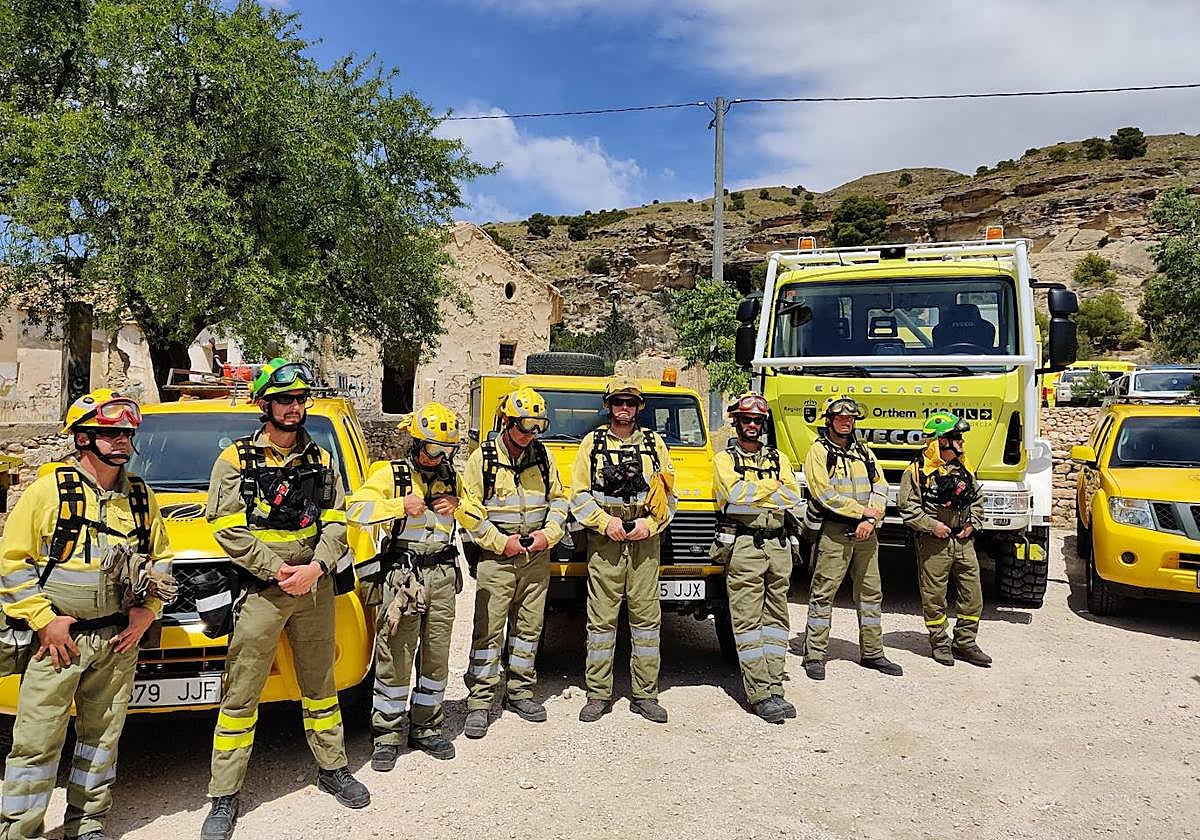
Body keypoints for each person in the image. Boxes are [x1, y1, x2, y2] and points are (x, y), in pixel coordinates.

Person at [201, 358, 367, 840]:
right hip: (263, 590)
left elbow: (337, 520)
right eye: (283, 400)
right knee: (242, 690)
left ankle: (332, 768)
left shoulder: (322, 459)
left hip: (313, 586)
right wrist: (277, 571)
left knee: (321, 684)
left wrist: (316, 568)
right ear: (264, 404)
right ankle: (224, 795)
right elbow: (226, 529)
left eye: (299, 399)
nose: (294, 407)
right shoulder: (235, 460)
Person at [0, 389, 173, 840]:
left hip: (118, 641)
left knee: (102, 738)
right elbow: (12, 562)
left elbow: (161, 560)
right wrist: (43, 620)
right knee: (36, 740)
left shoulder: (140, 497)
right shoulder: (48, 491)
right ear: (82, 438)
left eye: (126, 434)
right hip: (58, 643)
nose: (121, 441)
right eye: (110, 433)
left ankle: (88, 823)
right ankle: (19, 830)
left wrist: (147, 611)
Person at [346, 403, 464, 768]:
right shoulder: (390, 473)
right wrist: (398, 506)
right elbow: (354, 510)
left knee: (436, 654)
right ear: (416, 443)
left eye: (447, 451)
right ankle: (386, 734)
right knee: (395, 654)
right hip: (404, 576)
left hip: (442, 574)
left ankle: (427, 728)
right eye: (434, 449)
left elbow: (478, 516)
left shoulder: (452, 478)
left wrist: (459, 506)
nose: (439, 458)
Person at [457, 387, 568, 739]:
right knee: (488, 631)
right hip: (497, 559)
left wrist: (548, 535)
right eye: (525, 426)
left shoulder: (543, 457)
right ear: (507, 421)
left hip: (536, 557)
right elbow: (469, 513)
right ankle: (479, 701)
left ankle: (519, 692)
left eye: (539, 426)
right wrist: (501, 543)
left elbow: (559, 501)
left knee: (528, 630)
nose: (531, 434)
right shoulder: (483, 459)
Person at [571, 377, 676, 724]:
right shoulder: (592, 444)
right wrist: (605, 523)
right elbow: (578, 496)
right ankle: (598, 694)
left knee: (646, 621)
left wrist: (651, 524)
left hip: (645, 541)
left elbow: (669, 496)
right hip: (606, 543)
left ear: (639, 407)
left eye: (631, 403)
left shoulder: (655, 444)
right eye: (619, 402)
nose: (624, 408)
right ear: (609, 406)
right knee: (601, 620)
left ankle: (645, 695)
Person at [712, 392, 802, 723]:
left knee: (777, 620)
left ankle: (775, 686)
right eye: (746, 420)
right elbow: (734, 494)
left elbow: (792, 496)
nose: (752, 425)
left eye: (757, 420)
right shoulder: (724, 460)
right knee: (748, 622)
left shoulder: (778, 457)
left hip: (779, 545)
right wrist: (772, 487)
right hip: (745, 547)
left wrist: (756, 493)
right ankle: (759, 693)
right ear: (736, 422)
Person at [800, 397, 902, 681]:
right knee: (823, 593)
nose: (847, 422)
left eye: (851, 418)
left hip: (866, 533)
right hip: (835, 533)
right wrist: (861, 513)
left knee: (871, 594)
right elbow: (823, 493)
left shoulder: (864, 452)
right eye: (841, 418)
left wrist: (871, 519)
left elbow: (881, 486)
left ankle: (873, 653)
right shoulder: (818, 452)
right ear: (829, 420)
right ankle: (814, 655)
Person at [898, 412, 991, 668]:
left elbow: (977, 498)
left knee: (972, 594)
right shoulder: (917, 471)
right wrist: (932, 526)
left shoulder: (964, 467)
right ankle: (940, 643)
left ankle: (965, 643)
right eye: (956, 437)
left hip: (963, 541)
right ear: (941, 441)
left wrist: (972, 523)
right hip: (934, 543)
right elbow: (907, 507)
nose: (961, 442)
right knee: (934, 596)